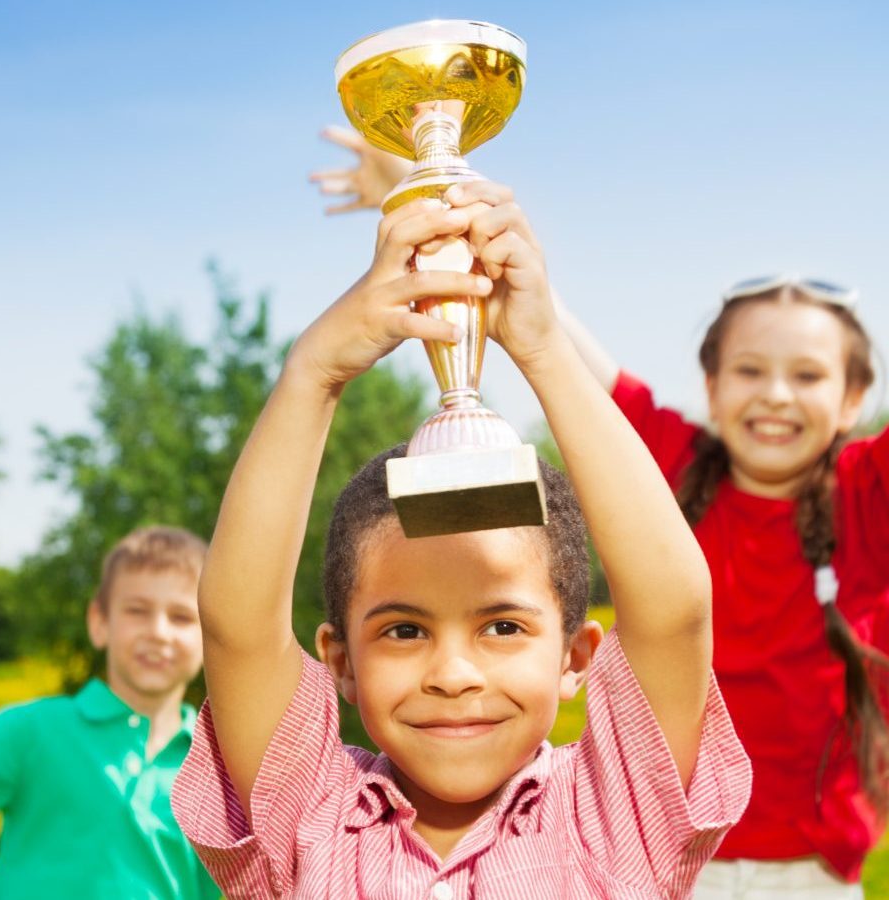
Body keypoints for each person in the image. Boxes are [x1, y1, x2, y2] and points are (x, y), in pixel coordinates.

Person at [172, 186, 752, 897]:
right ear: (340, 662)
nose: (453, 673)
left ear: (575, 658)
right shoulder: (313, 821)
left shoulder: (613, 816)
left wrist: (542, 351)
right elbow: (237, 626)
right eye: (404, 630)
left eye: (503, 626)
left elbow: (676, 608)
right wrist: (314, 372)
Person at [553, 266, 888, 897]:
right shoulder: (671, 464)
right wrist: (445, 194)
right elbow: (557, 342)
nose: (777, 395)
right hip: (661, 860)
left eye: (809, 375)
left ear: (853, 399)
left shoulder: (869, 492)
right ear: (711, 386)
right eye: (750, 370)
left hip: (808, 876)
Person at [0, 526, 221, 899]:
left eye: (181, 617)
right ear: (99, 623)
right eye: (137, 611)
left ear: (211, 634)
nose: (159, 632)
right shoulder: (32, 731)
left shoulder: (221, 772)